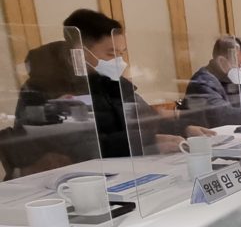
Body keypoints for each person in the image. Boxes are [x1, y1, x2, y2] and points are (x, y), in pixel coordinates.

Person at [17, 9, 208, 158]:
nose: (119, 61)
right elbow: (80, 146)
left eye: (121, 53)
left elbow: (146, 118)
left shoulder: (112, 82)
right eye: (111, 53)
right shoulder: (44, 88)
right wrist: (148, 142)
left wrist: (183, 128)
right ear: (80, 52)